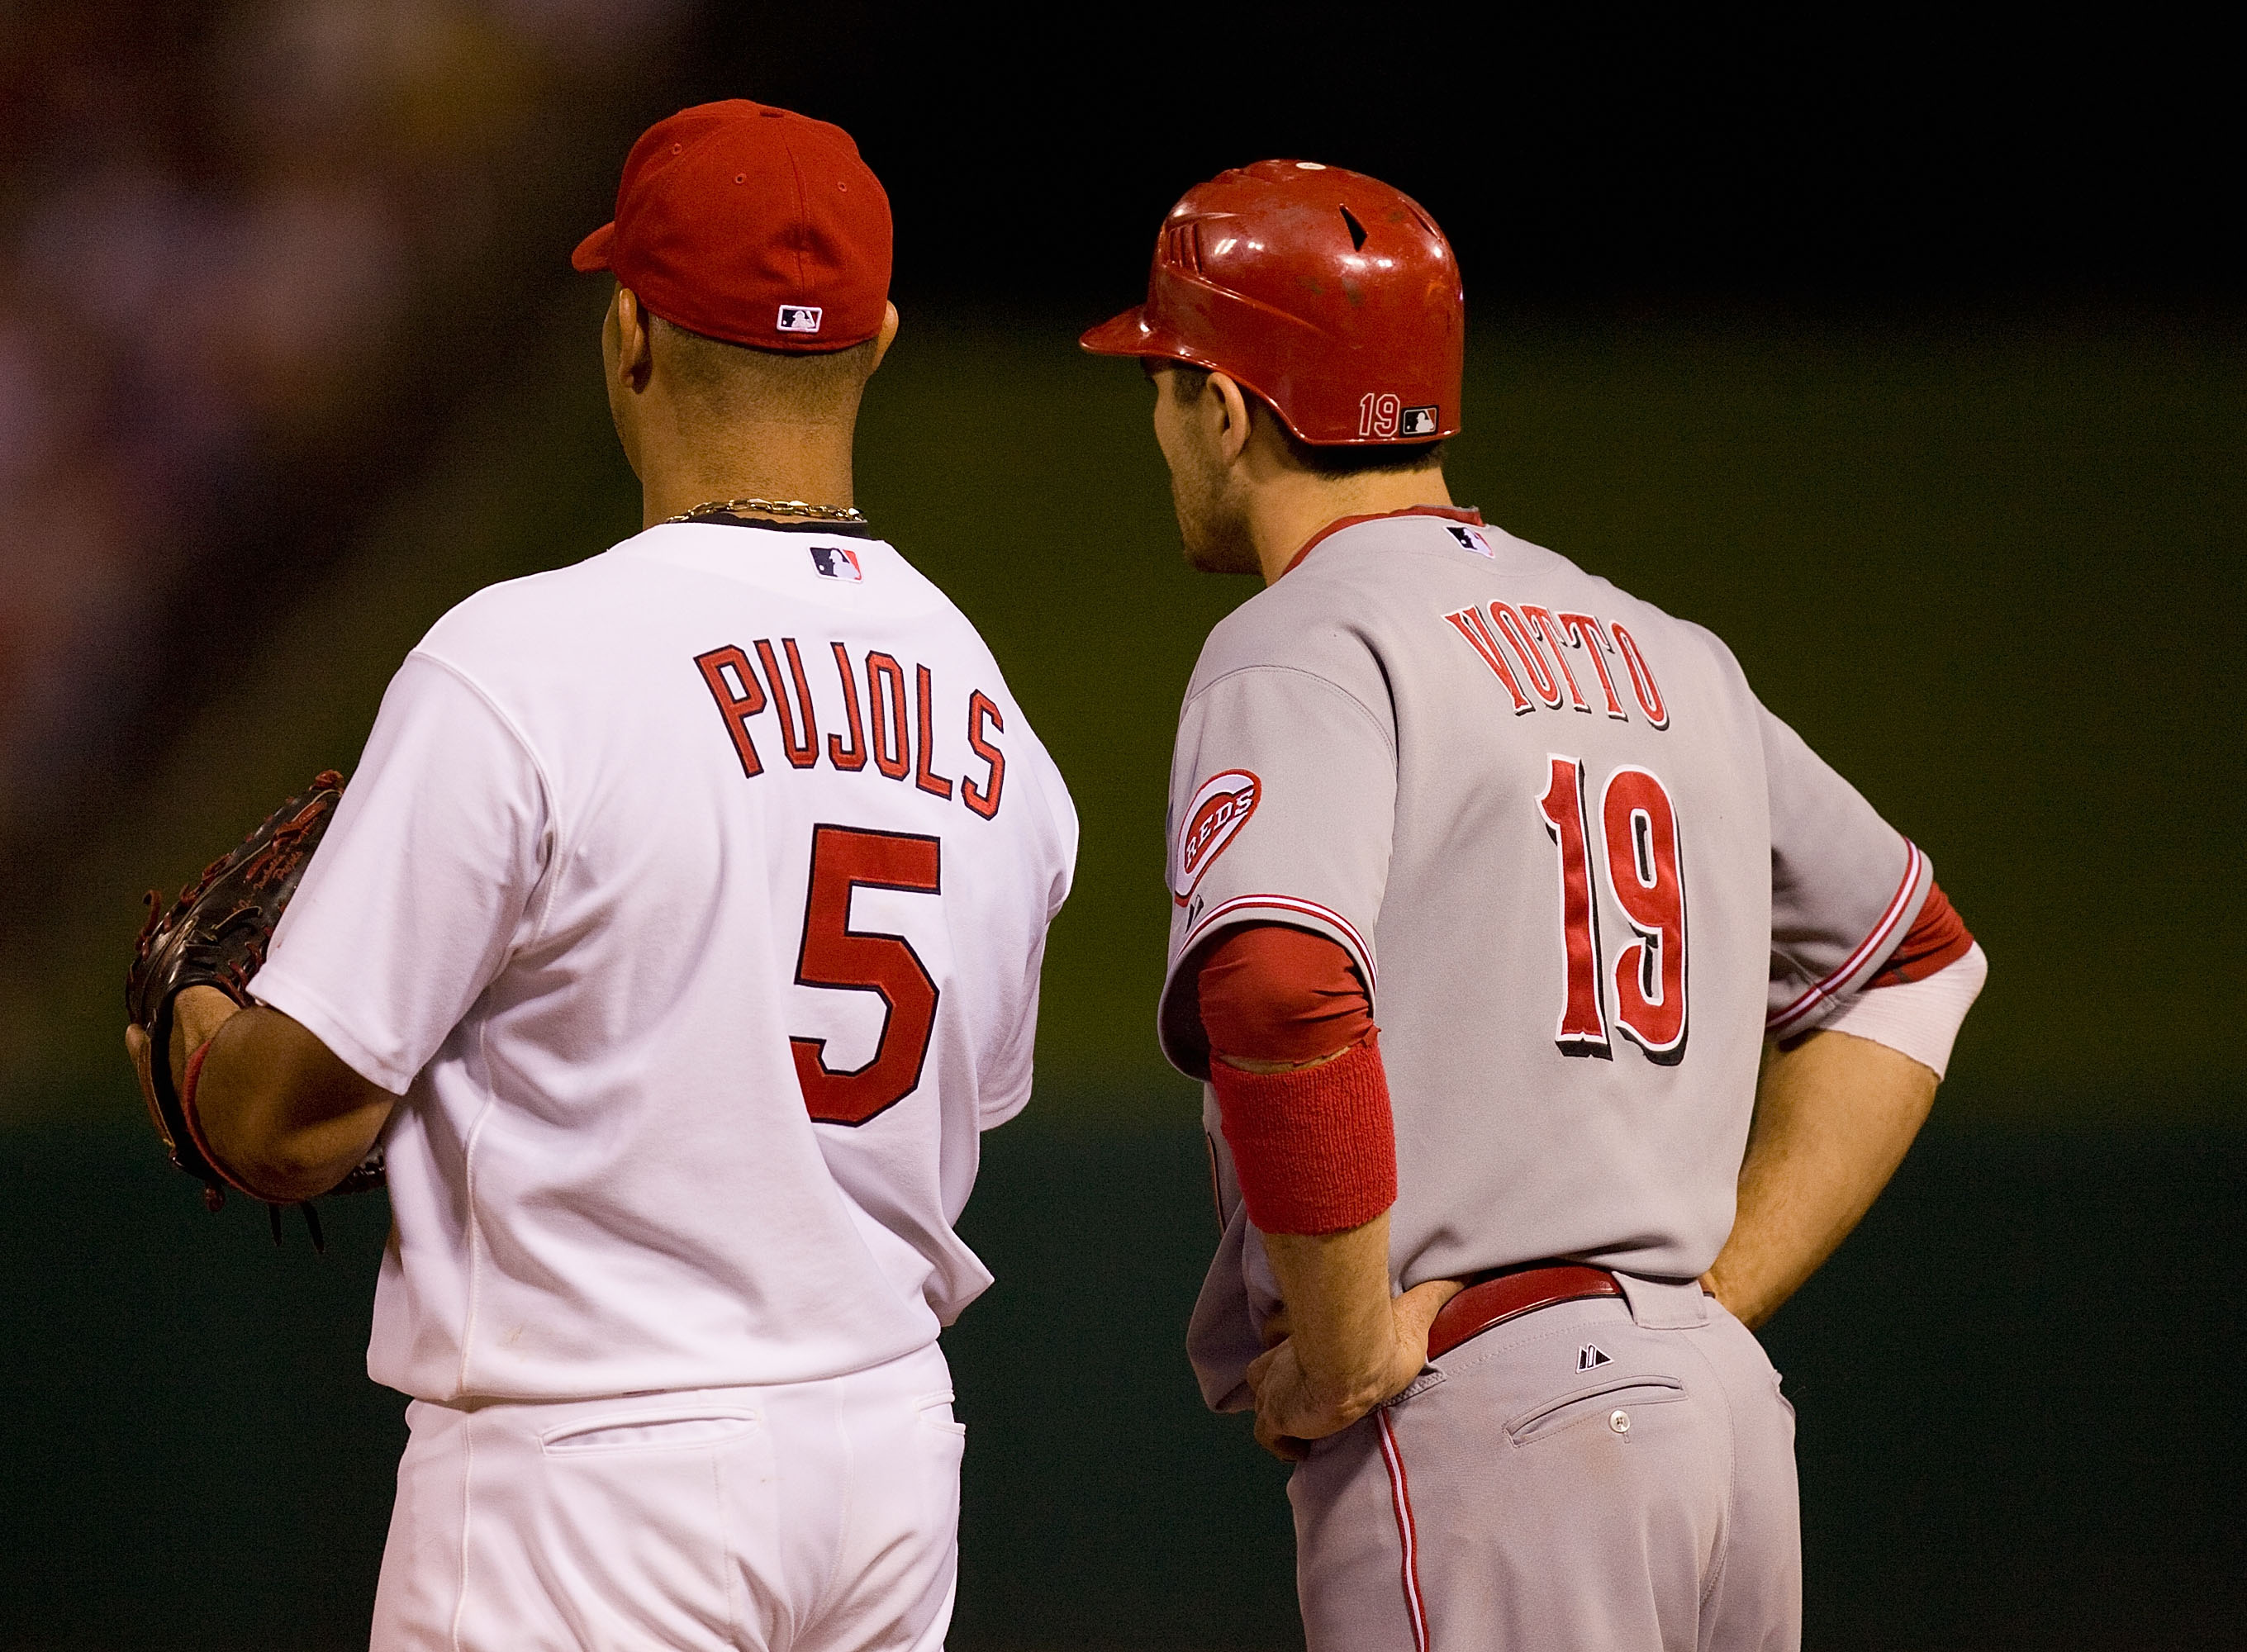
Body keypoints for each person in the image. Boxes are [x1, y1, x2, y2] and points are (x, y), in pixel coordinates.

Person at [126, 100, 1076, 1652]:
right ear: (881, 339)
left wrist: (198, 1040)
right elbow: (965, 1102)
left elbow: (287, 1127)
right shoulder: (988, 709)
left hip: (589, 1479)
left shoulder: (526, 658)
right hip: (888, 1470)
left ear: (630, 330)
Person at [1081, 159, 1985, 1650]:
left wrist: (1355, 1332)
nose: (1162, 419)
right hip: (1724, 1431)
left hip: (1487, 1433)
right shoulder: (1666, 651)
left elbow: (1279, 988)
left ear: (1229, 408)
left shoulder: (1303, 637)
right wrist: (1700, 1305)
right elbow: (1918, 961)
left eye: (1170, 382)